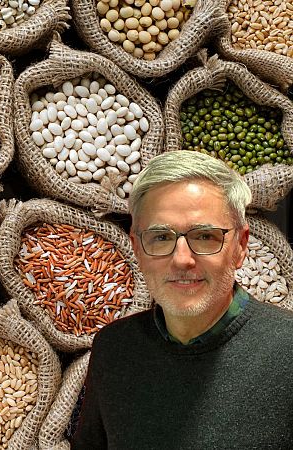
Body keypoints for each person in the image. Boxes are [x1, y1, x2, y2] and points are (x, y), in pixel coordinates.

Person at [72, 150, 293, 448]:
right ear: (137, 249)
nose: (182, 260)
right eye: (161, 237)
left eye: (204, 236)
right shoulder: (114, 349)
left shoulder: (286, 352)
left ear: (240, 246)